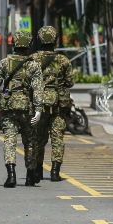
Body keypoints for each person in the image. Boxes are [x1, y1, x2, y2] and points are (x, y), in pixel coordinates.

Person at [0, 30, 44, 187]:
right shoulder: (33, 65)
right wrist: (38, 109)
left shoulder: (5, 63)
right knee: (30, 142)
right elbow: (38, 89)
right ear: (29, 45)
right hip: (28, 109)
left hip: (8, 108)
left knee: (9, 140)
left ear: (14, 44)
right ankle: (30, 176)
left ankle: (11, 175)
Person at [30, 26, 74, 182]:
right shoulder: (63, 60)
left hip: (38, 105)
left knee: (37, 139)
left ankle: (37, 170)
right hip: (58, 106)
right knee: (57, 138)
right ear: (55, 40)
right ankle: (55, 171)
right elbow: (70, 82)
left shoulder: (32, 59)